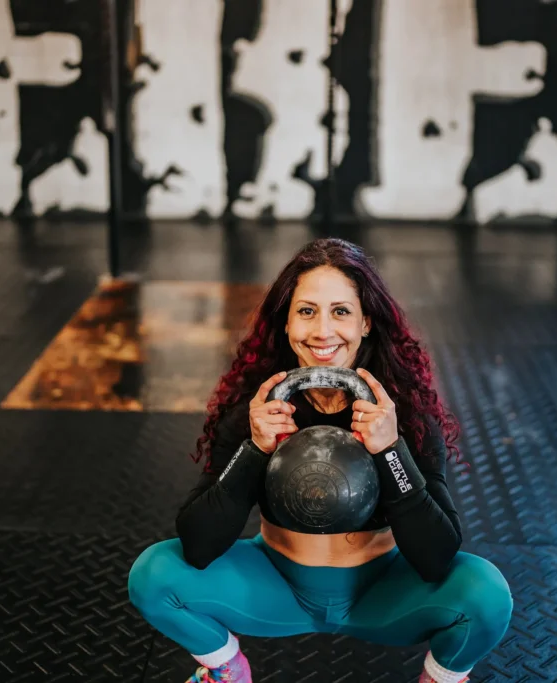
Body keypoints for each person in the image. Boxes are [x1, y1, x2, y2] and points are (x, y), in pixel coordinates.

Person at [128, 238, 513, 683]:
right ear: (287, 323)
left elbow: (437, 558)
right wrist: (255, 448)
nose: (322, 331)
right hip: (275, 586)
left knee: (487, 594)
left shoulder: (404, 414)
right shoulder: (255, 412)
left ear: (366, 323)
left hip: (381, 593)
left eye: (341, 312)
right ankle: (226, 670)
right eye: (307, 311)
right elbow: (197, 546)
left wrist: (391, 450)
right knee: (153, 575)